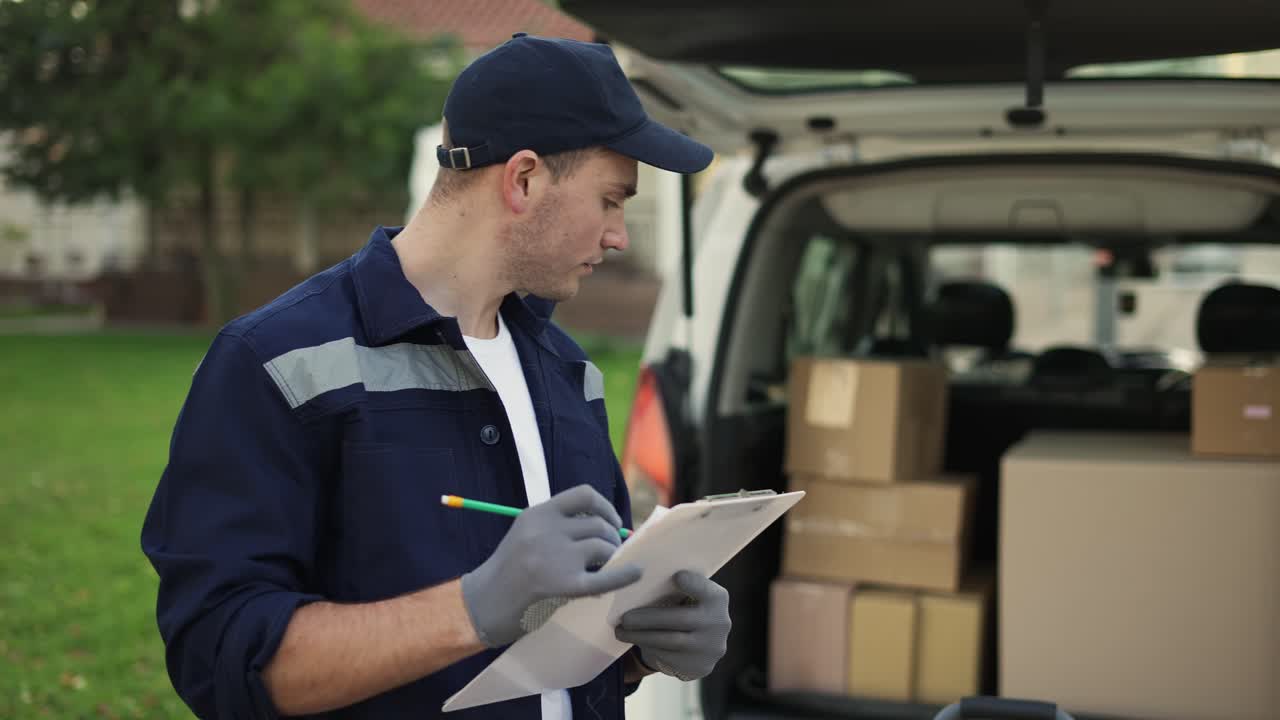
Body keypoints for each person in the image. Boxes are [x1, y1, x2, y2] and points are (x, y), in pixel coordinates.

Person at [140, 33, 730, 720]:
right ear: (525, 180)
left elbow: (565, 646)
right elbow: (220, 656)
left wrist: (641, 644)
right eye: (611, 199)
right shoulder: (276, 362)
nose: (619, 234)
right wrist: (471, 609)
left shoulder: (570, 374)